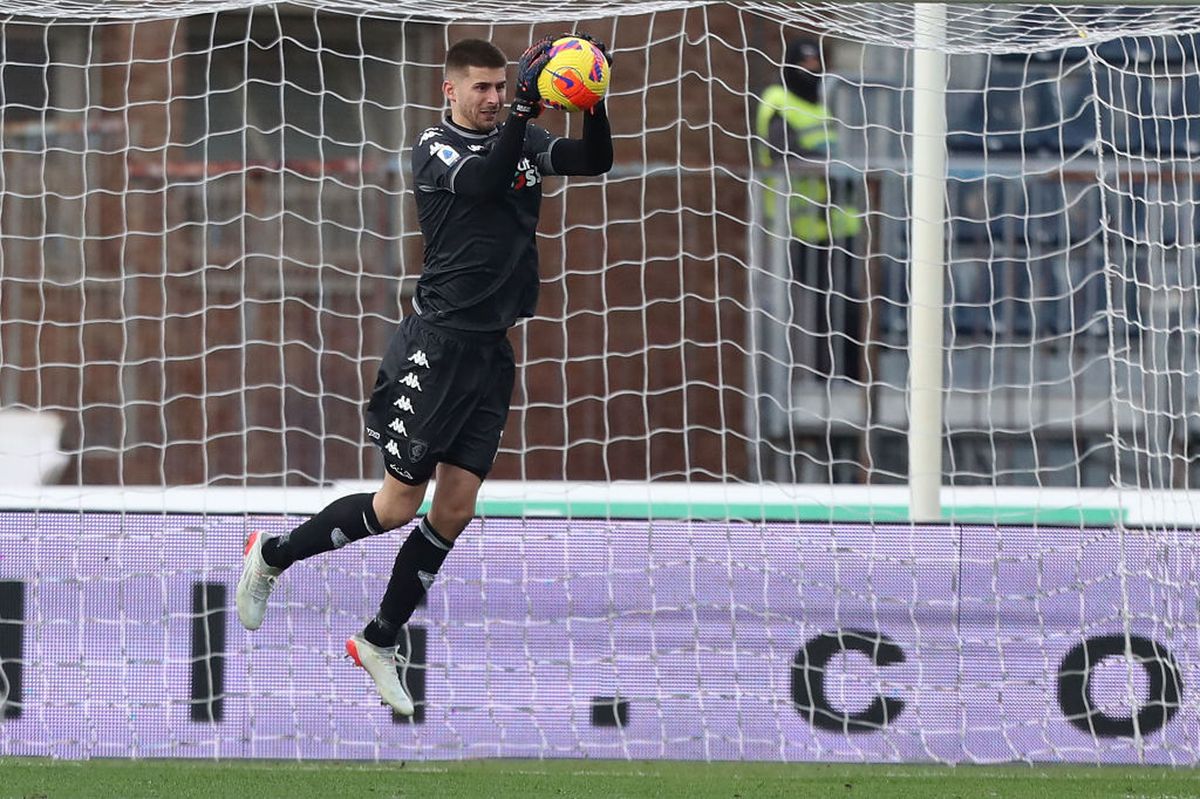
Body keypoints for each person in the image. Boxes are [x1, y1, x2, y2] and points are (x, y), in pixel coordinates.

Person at [235, 35, 613, 715]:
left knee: (456, 507)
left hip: (492, 353)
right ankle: (273, 553)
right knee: (395, 506)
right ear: (451, 91)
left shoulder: (520, 141)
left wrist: (593, 98)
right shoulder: (435, 149)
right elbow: (482, 182)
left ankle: (380, 635)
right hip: (434, 348)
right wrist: (526, 116)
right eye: (483, 88)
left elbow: (595, 159)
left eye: (503, 88)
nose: (496, 99)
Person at [756, 37, 863, 381]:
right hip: (802, 226)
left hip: (838, 222)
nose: (812, 71)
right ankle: (824, 377)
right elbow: (784, 154)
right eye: (805, 65)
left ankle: (848, 375)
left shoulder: (820, 105)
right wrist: (829, 167)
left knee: (848, 301)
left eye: (816, 65)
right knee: (817, 305)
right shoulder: (777, 102)